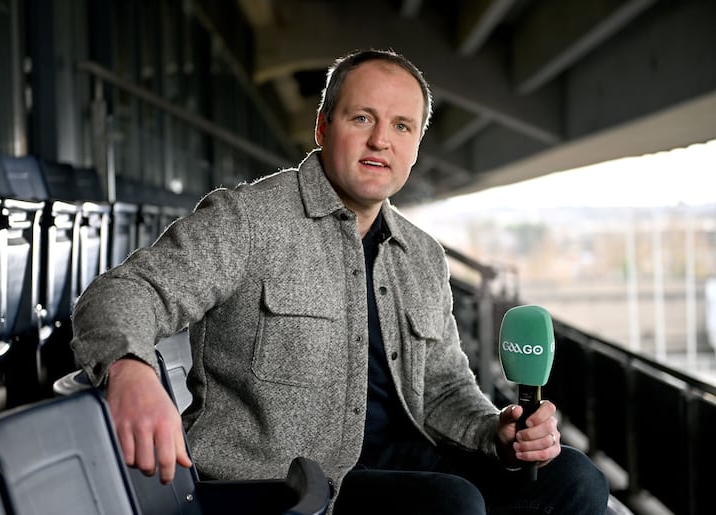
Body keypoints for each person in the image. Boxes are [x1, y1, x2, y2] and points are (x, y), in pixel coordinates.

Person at [71, 48, 609, 513]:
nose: (381, 141)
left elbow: (443, 389)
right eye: (361, 119)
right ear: (323, 127)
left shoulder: (422, 256)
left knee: (575, 479)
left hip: (407, 460)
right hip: (292, 482)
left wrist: (499, 431)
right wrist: (129, 367)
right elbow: (122, 292)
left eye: (402, 126)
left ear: (416, 144)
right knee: (451, 504)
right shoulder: (248, 221)